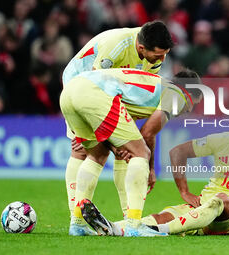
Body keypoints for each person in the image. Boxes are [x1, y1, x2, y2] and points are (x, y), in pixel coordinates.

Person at [81, 103, 229, 236]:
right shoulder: (222, 139)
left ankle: (160, 232)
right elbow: (178, 152)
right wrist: (185, 192)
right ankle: (113, 228)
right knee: (162, 215)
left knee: (221, 200)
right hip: (199, 207)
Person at [62, 21, 174, 236]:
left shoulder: (153, 56)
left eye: (165, 54)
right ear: (142, 48)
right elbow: (96, 84)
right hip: (80, 83)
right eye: (159, 55)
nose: (162, 60)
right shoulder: (116, 46)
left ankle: (118, 217)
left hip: (111, 92)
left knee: (114, 150)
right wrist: (114, 144)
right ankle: (126, 223)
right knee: (82, 150)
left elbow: (131, 93)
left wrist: (118, 143)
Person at [60, 68, 202, 236]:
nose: (189, 110)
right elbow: (147, 133)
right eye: (194, 103)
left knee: (96, 155)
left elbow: (143, 133)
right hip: (94, 95)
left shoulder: (149, 90)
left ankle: (77, 224)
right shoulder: (177, 94)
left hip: (70, 91)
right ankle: (133, 226)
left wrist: (117, 148)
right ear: (190, 93)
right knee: (141, 154)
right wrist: (150, 168)